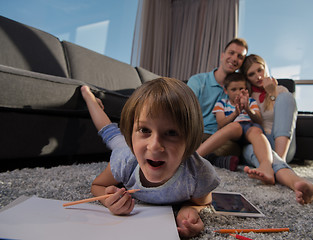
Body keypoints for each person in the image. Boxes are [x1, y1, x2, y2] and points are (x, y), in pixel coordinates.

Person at [80, 77, 220, 238]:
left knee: (111, 133)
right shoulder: (125, 160)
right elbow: (97, 185)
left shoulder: (198, 173)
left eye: (171, 133)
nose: (154, 146)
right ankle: (89, 98)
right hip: (125, 148)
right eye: (144, 129)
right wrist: (108, 200)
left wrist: (190, 208)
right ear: (131, 132)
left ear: (190, 139)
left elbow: (203, 202)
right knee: (109, 133)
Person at [240, 54, 313, 204]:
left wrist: (272, 94)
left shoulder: (280, 90)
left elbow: (283, 118)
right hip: (263, 144)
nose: (258, 76)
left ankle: (278, 162)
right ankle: (296, 181)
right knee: (249, 147)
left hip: (283, 143)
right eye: (252, 74)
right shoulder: (248, 96)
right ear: (247, 78)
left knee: (287, 98)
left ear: (265, 68)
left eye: (260, 70)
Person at [197, 72, 275, 181]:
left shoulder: (251, 101)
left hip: (250, 127)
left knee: (256, 131)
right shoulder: (222, 103)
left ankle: (267, 168)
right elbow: (221, 124)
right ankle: (195, 157)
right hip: (234, 130)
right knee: (234, 126)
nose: (238, 92)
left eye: (241, 89)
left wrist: (247, 108)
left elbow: (259, 120)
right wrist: (235, 114)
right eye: (234, 90)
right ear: (226, 91)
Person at [187, 38, 248, 170]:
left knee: (235, 148)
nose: (234, 58)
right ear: (222, 55)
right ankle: (213, 159)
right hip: (196, 134)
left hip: (220, 140)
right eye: (231, 53)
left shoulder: (239, 89)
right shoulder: (198, 81)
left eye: (240, 57)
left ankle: (199, 156)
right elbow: (186, 112)